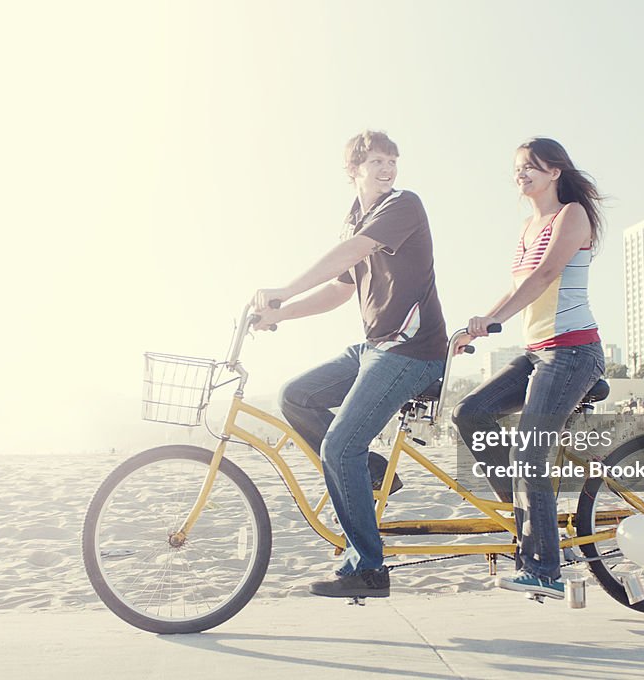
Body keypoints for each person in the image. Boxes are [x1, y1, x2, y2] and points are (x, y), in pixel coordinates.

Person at [252, 130, 447, 598]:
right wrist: (280, 313)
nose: (387, 169)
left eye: (392, 161)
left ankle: (369, 568)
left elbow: (355, 251)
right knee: (295, 396)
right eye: (377, 161)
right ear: (354, 170)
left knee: (340, 446)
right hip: (375, 348)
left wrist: (283, 288)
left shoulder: (403, 205)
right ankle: (373, 470)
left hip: (413, 349)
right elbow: (340, 290)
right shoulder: (354, 220)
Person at [451, 137, 605, 600]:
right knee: (470, 412)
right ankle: (527, 516)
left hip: (573, 352)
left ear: (555, 171)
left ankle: (544, 569)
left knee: (528, 452)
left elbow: (543, 278)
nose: (522, 174)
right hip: (538, 352)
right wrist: (476, 326)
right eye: (518, 168)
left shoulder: (571, 215)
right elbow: (517, 286)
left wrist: (495, 319)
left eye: (531, 167)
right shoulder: (526, 227)